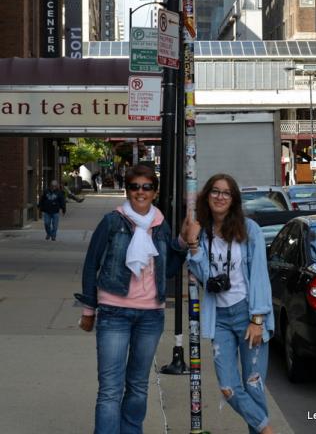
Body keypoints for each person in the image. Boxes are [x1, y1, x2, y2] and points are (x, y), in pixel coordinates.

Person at [75, 164, 186, 434]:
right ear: (127, 190)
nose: (140, 192)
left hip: (151, 316)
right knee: (111, 389)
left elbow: (168, 270)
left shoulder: (161, 225)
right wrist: (89, 310)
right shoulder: (112, 222)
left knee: (138, 386)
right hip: (114, 312)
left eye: (147, 187)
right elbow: (92, 265)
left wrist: (182, 245)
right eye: (135, 186)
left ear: (155, 192)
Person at [182, 173, 275, 434]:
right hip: (219, 317)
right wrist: (192, 243)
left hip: (248, 314)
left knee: (253, 385)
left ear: (233, 199)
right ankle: (268, 430)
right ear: (207, 196)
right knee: (228, 386)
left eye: (226, 193)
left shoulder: (249, 230)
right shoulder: (201, 232)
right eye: (215, 191)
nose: (220, 197)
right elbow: (203, 277)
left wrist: (258, 319)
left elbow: (259, 276)